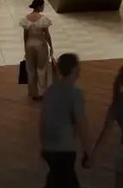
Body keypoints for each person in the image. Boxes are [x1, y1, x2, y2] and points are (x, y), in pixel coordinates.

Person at [40, 52, 88, 188]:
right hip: (65, 147)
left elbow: (43, 119)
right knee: (65, 179)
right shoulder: (75, 94)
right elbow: (81, 123)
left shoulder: (49, 91)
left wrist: (43, 143)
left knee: (56, 179)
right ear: (74, 70)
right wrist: (88, 151)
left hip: (49, 147)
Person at [22, 0, 55, 100]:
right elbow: (47, 35)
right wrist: (51, 46)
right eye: (43, 5)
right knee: (42, 68)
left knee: (31, 69)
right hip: (40, 44)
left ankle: (33, 92)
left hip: (29, 44)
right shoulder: (43, 19)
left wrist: (25, 47)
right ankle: (42, 91)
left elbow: (25, 35)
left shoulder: (26, 19)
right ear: (39, 6)